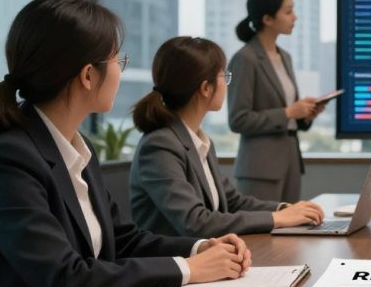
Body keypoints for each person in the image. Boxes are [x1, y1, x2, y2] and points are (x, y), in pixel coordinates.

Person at [0, 0, 251, 287]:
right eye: (117, 61)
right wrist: (188, 269)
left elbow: (124, 240)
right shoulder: (9, 157)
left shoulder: (78, 148)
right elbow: (64, 279)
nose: (120, 72)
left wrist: (201, 248)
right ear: (88, 76)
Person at [130, 36, 325, 238]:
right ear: (206, 88)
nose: (227, 83)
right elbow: (196, 221)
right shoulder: (159, 146)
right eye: (224, 76)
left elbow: (232, 201)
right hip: (176, 264)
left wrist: (283, 209)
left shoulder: (199, 141)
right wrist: (277, 219)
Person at [228, 0, 323, 203]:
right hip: (260, 169)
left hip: (290, 160)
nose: (295, 17)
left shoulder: (285, 57)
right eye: (288, 11)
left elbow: (288, 115)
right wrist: (288, 112)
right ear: (267, 19)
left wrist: (304, 115)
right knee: (261, 235)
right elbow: (238, 119)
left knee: (290, 232)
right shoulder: (245, 59)